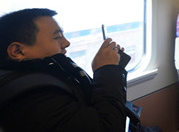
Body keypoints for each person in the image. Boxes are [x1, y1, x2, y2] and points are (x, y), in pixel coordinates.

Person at [0, 8, 129, 132]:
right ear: (17, 51)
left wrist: (110, 70)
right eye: (57, 37)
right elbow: (108, 128)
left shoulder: (44, 76)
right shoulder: (33, 98)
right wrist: (107, 71)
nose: (66, 43)